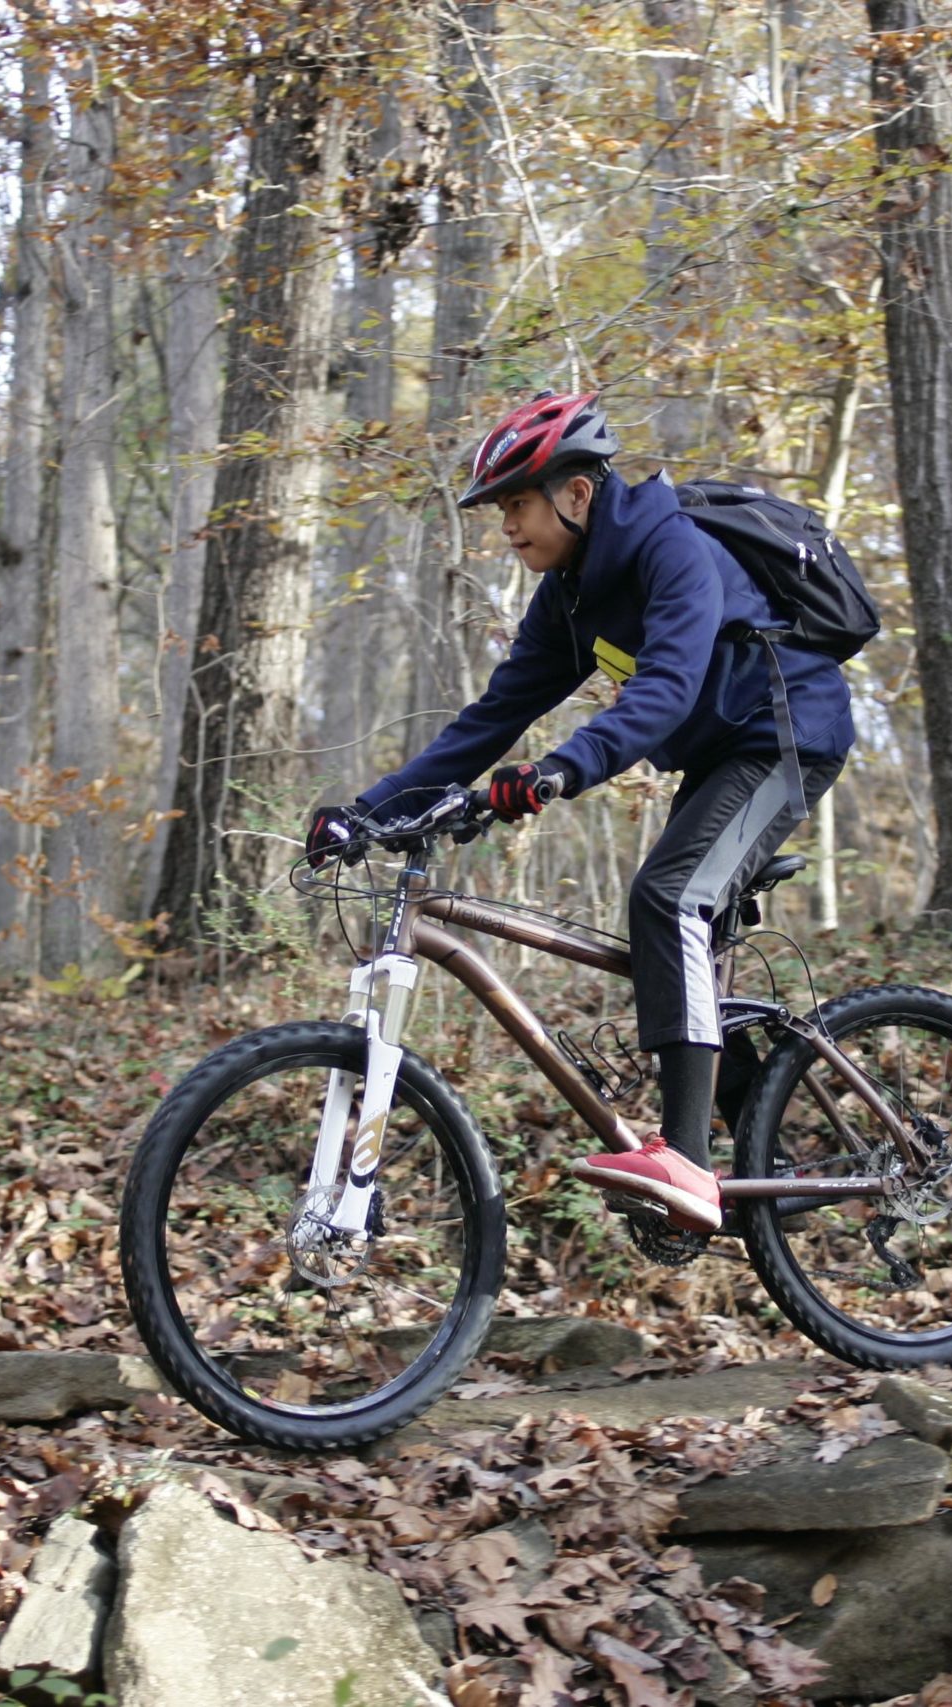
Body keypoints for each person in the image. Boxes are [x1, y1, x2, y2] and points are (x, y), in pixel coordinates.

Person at [308, 391, 855, 1233]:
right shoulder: (568, 598)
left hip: (785, 739)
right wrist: (367, 810)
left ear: (577, 492)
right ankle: (760, 1161)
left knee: (669, 898)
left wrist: (560, 771)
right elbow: (488, 721)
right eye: (500, 511)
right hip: (718, 756)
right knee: (674, 942)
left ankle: (685, 1160)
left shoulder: (674, 550)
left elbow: (667, 688)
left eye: (517, 504)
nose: (506, 528)